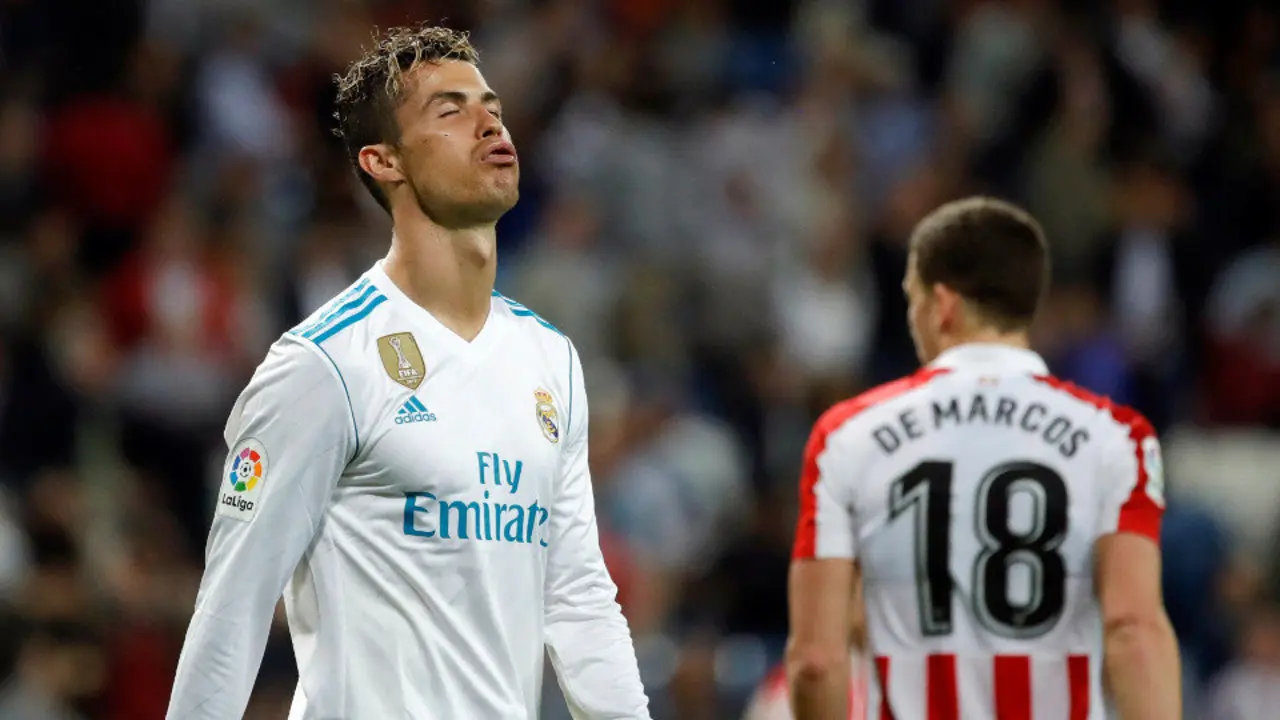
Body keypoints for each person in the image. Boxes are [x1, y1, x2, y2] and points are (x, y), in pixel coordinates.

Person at [166, 24, 650, 719]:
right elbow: (231, 609)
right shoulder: (325, 365)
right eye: (450, 110)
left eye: (492, 105)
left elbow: (576, 597)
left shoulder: (551, 360)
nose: (488, 121)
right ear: (383, 160)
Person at [785, 197, 1181, 719]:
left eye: (913, 299)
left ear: (942, 304)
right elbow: (1134, 629)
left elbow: (817, 660)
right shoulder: (1115, 438)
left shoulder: (848, 436)